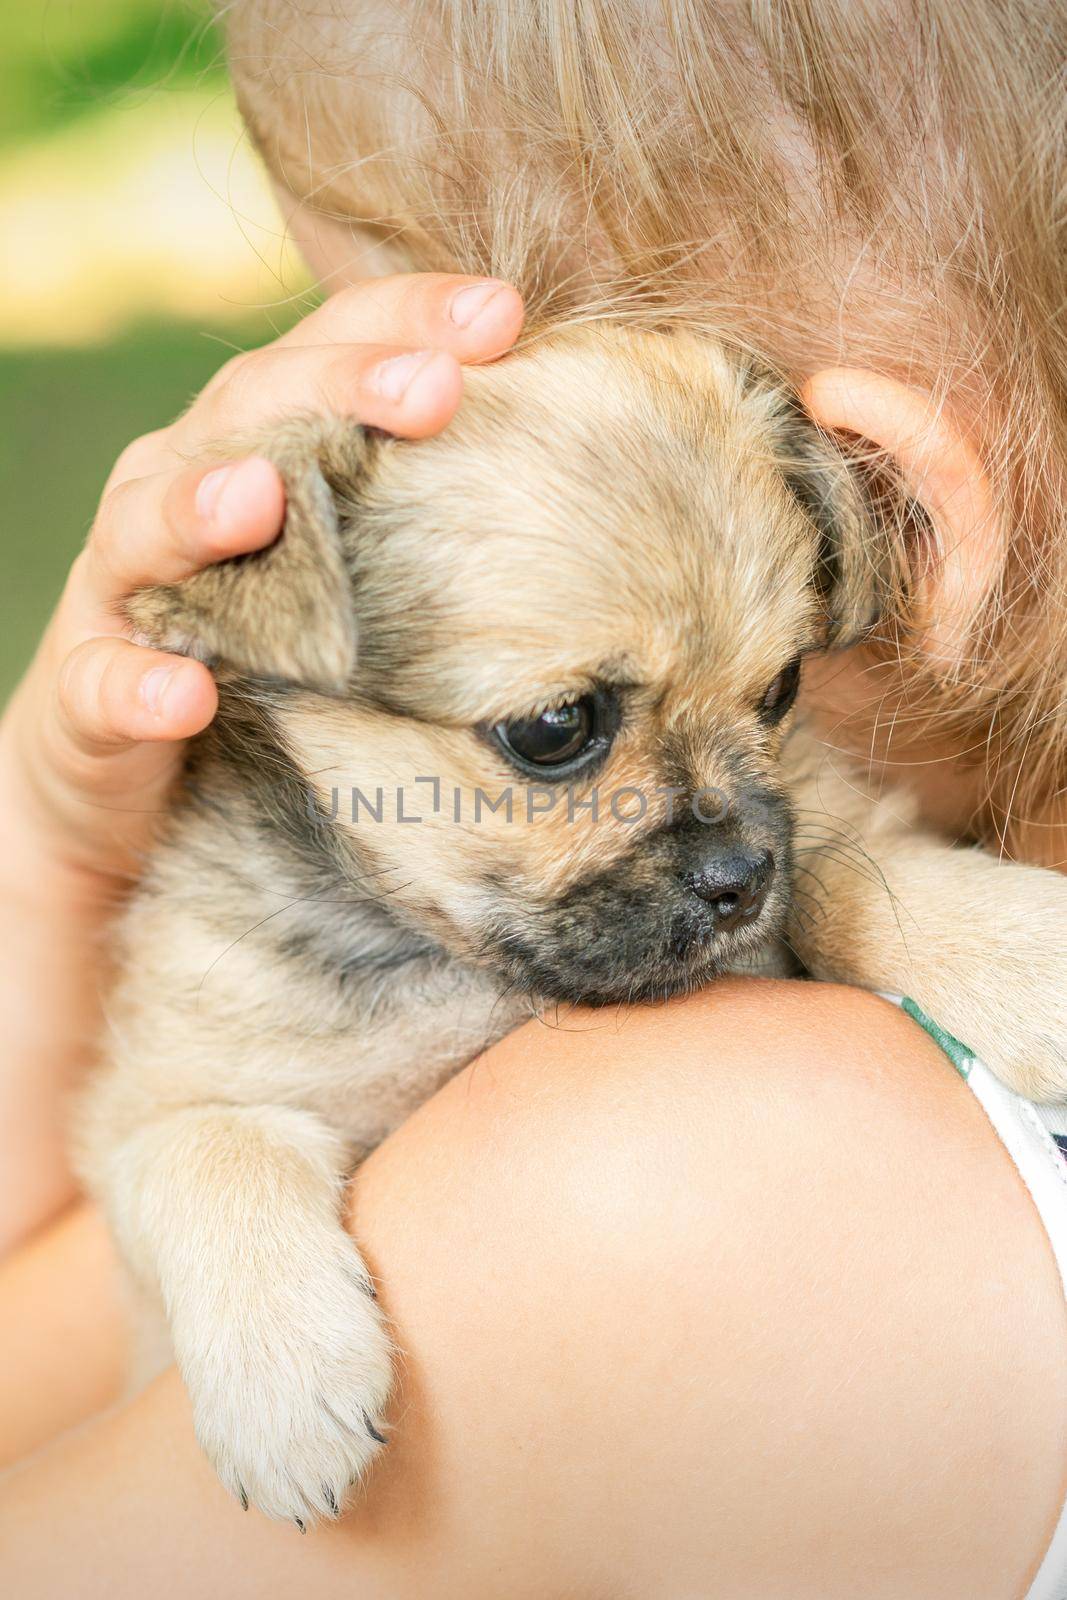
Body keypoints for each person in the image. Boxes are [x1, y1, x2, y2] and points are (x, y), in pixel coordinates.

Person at [2, 3, 1067, 1594]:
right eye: (568, 731)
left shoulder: (643, 1193)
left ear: (895, 521)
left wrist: (41, 873)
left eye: (768, 698)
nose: (733, 856)